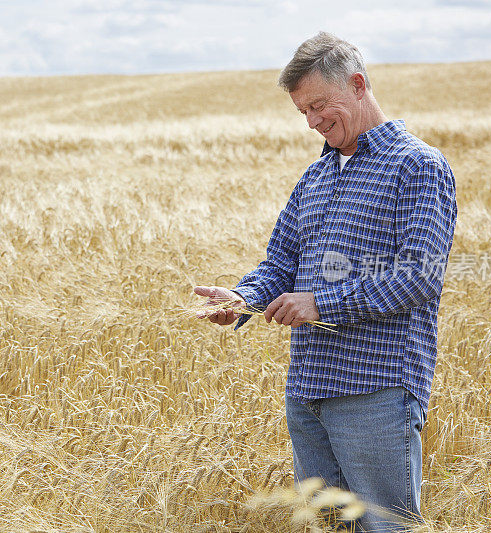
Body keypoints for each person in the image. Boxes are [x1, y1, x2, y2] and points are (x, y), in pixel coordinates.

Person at [194, 32, 457, 532]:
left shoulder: (418, 167)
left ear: (358, 84)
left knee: (387, 528)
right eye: (303, 113)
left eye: (318, 106)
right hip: (308, 389)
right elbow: (280, 265)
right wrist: (243, 298)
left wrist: (322, 303)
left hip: (375, 391)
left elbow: (418, 277)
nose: (312, 121)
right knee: (322, 529)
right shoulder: (314, 177)